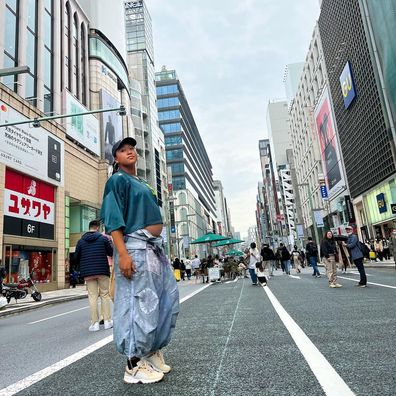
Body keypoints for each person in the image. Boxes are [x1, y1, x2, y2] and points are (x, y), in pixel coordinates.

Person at [101, 137, 179, 384]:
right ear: (116, 158)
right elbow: (113, 220)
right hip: (134, 247)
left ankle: (150, 350)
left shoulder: (141, 182)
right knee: (138, 301)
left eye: (132, 148)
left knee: (163, 299)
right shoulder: (117, 180)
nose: (129, 152)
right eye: (123, 150)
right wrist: (122, 254)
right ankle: (133, 363)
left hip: (152, 248)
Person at [75, 220, 114, 332]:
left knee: (92, 296)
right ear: (97, 228)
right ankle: (107, 321)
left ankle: (94, 323)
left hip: (88, 273)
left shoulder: (81, 241)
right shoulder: (103, 239)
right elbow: (110, 252)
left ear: (90, 227)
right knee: (104, 295)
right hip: (102, 270)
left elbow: (76, 257)